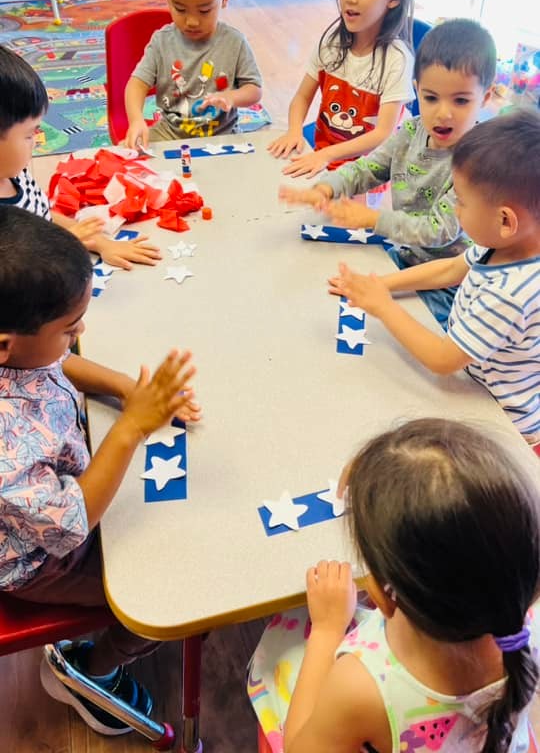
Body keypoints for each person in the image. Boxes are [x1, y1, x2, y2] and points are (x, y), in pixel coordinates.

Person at [0, 207, 200, 734]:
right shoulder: (5, 443)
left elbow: (55, 362)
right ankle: (89, 673)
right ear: (6, 343)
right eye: (71, 327)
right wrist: (131, 427)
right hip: (43, 558)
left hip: (61, 497)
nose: (81, 330)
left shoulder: (17, 347)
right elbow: (68, 528)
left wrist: (126, 388)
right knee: (175, 588)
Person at [248, 418, 540, 753]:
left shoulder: (358, 687)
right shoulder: (521, 624)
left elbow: (300, 749)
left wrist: (327, 631)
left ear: (385, 598)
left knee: (283, 645)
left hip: (360, 713)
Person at [329, 109, 540, 445]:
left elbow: (443, 359)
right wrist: (379, 285)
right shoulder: (506, 245)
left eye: (462, 203)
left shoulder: (511, 292)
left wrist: (383, 307)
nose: (454, 210)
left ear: (505, 221)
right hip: (472, 381)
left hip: (499, 424)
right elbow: (451, 269)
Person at [280, 19, 496, 327]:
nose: (443, 113)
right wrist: (326, 188)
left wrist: (373, 220)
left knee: (392, 336)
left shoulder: (477, 161)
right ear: (416, 90)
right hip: (401, 254)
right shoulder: (410, 131)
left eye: (461, 100)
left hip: (445, 283)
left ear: (485, 98)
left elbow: (438, 231)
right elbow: (368, 167)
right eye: (431, 97)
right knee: (322, 288)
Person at [0, 43, 161, 270]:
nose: (36, 141)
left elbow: (43, 217)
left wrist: (102, 243)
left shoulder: (15, 174)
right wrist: (63, 244)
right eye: (28, 135)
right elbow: (20, 280)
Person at [268, 0, 415, 177]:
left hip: (366, 174)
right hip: (322, 159)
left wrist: (325, 156)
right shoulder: (330, 44)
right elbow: (302, 97)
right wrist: (294, 130)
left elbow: (382, 134)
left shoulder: (397, 59)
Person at [124, 0, 263, 146]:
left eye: (205, 10)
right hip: (169, 134)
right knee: (129, 162)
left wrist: (232, 98)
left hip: (223, 136)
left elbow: (254, 90)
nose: (192, 21)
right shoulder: (161, 42)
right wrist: (136, 120)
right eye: (180, 9)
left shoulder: (235, 42)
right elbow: (136, 84)